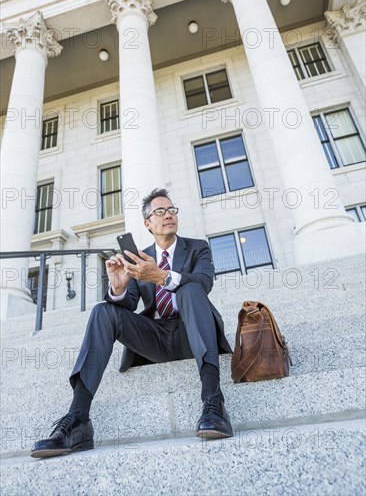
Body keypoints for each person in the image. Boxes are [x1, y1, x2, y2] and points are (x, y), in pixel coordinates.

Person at [31, 188, 233, 458]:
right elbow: (129, 305)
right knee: (103, 311)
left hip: (192, 333)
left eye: (172, 210)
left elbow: (204, 284)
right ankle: (78, 420)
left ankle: (213, 401)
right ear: (148, 224)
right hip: (156, 339)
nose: (168, 215)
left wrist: (161, 276)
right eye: (159, 212)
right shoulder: (138, 258)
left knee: (190, 287)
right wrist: (118, 289)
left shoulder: (198, 248)